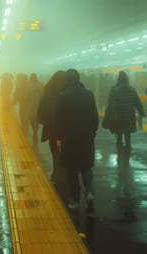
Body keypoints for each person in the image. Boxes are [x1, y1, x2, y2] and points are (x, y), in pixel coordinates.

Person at [56, 69, 99, 214]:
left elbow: (59, 120)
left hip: (69, 139)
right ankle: (91, 193)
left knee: (72, 171)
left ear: (67, 80)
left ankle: (75, 201)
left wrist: (60, 137)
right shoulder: (89, 94)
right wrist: (92, 132)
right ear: (79, 78)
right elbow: (95, 116)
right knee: (86, 168)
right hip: (86, 137)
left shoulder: (62, 96)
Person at [106, 71, 145, 165]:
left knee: (119, 138)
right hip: (129, 117)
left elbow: (109, 103)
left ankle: (120, 156)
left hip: (118, 117)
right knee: (128, 138)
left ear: (118, 79)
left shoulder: (114, 90)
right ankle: (126, 159)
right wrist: (141, 112)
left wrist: (108, 116)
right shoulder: (132, 90)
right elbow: (137, 102)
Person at [38, 70, 66, 183]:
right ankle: (63, 173)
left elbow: (41, 111)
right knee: (64, 150)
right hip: (65, 128)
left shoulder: (47, 90)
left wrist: (45, 121)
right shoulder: (66, 91)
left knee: (54, 151)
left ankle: (55, 173)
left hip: (51, 127)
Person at [26, 73, 43, 148]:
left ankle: (34, 131)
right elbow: (42, 94)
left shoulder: (28, 85)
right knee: (36, 119)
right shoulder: (39, 84)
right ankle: (35, 131)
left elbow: (26, 95)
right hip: (37, 104)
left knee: (32, 119)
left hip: (31, 105)